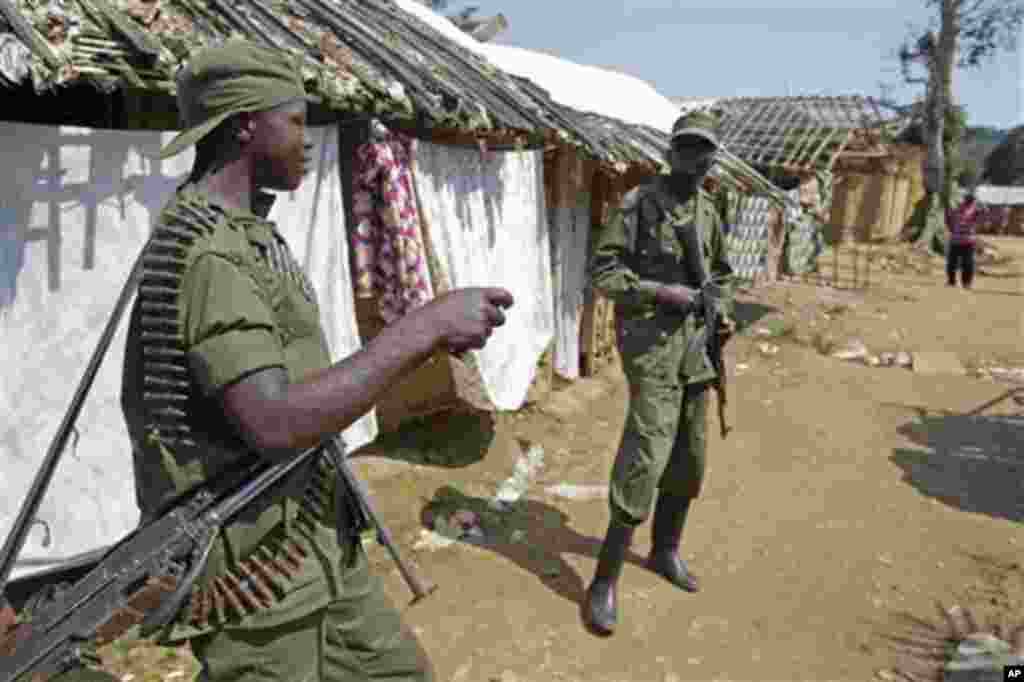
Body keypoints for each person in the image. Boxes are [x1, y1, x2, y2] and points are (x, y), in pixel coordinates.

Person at [120, 39, 513, 682]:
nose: (308, 140)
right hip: (257, 572)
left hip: (310, 540)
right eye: (296, 120)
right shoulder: (213, 254)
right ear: (247, 123)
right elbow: (274, 423)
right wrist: (426, 325)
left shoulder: (245, 232)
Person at [584, 110, 736, 636]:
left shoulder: (712, 210)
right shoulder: (639, 205)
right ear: (671, 152)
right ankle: (603, 580)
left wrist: (723, 311)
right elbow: (604, 272)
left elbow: (721, 274)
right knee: (647, 450)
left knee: (690, 453)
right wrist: (658, 293)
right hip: (652, 344)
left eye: (704, 150)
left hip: (697, 346)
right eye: (687, 148)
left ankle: (665, 551)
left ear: (713, 157)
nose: (695, 159)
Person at [946, 192, 979, 289]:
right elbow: (949, 219)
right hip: (957, 240)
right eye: (969, 200)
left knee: (967, 263)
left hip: (967, 241)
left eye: (972, 200)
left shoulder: (975, 210)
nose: (971, 202)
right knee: (953, 263)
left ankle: (966, 283)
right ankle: (952, 281)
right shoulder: (958, 209)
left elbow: (983, 218)